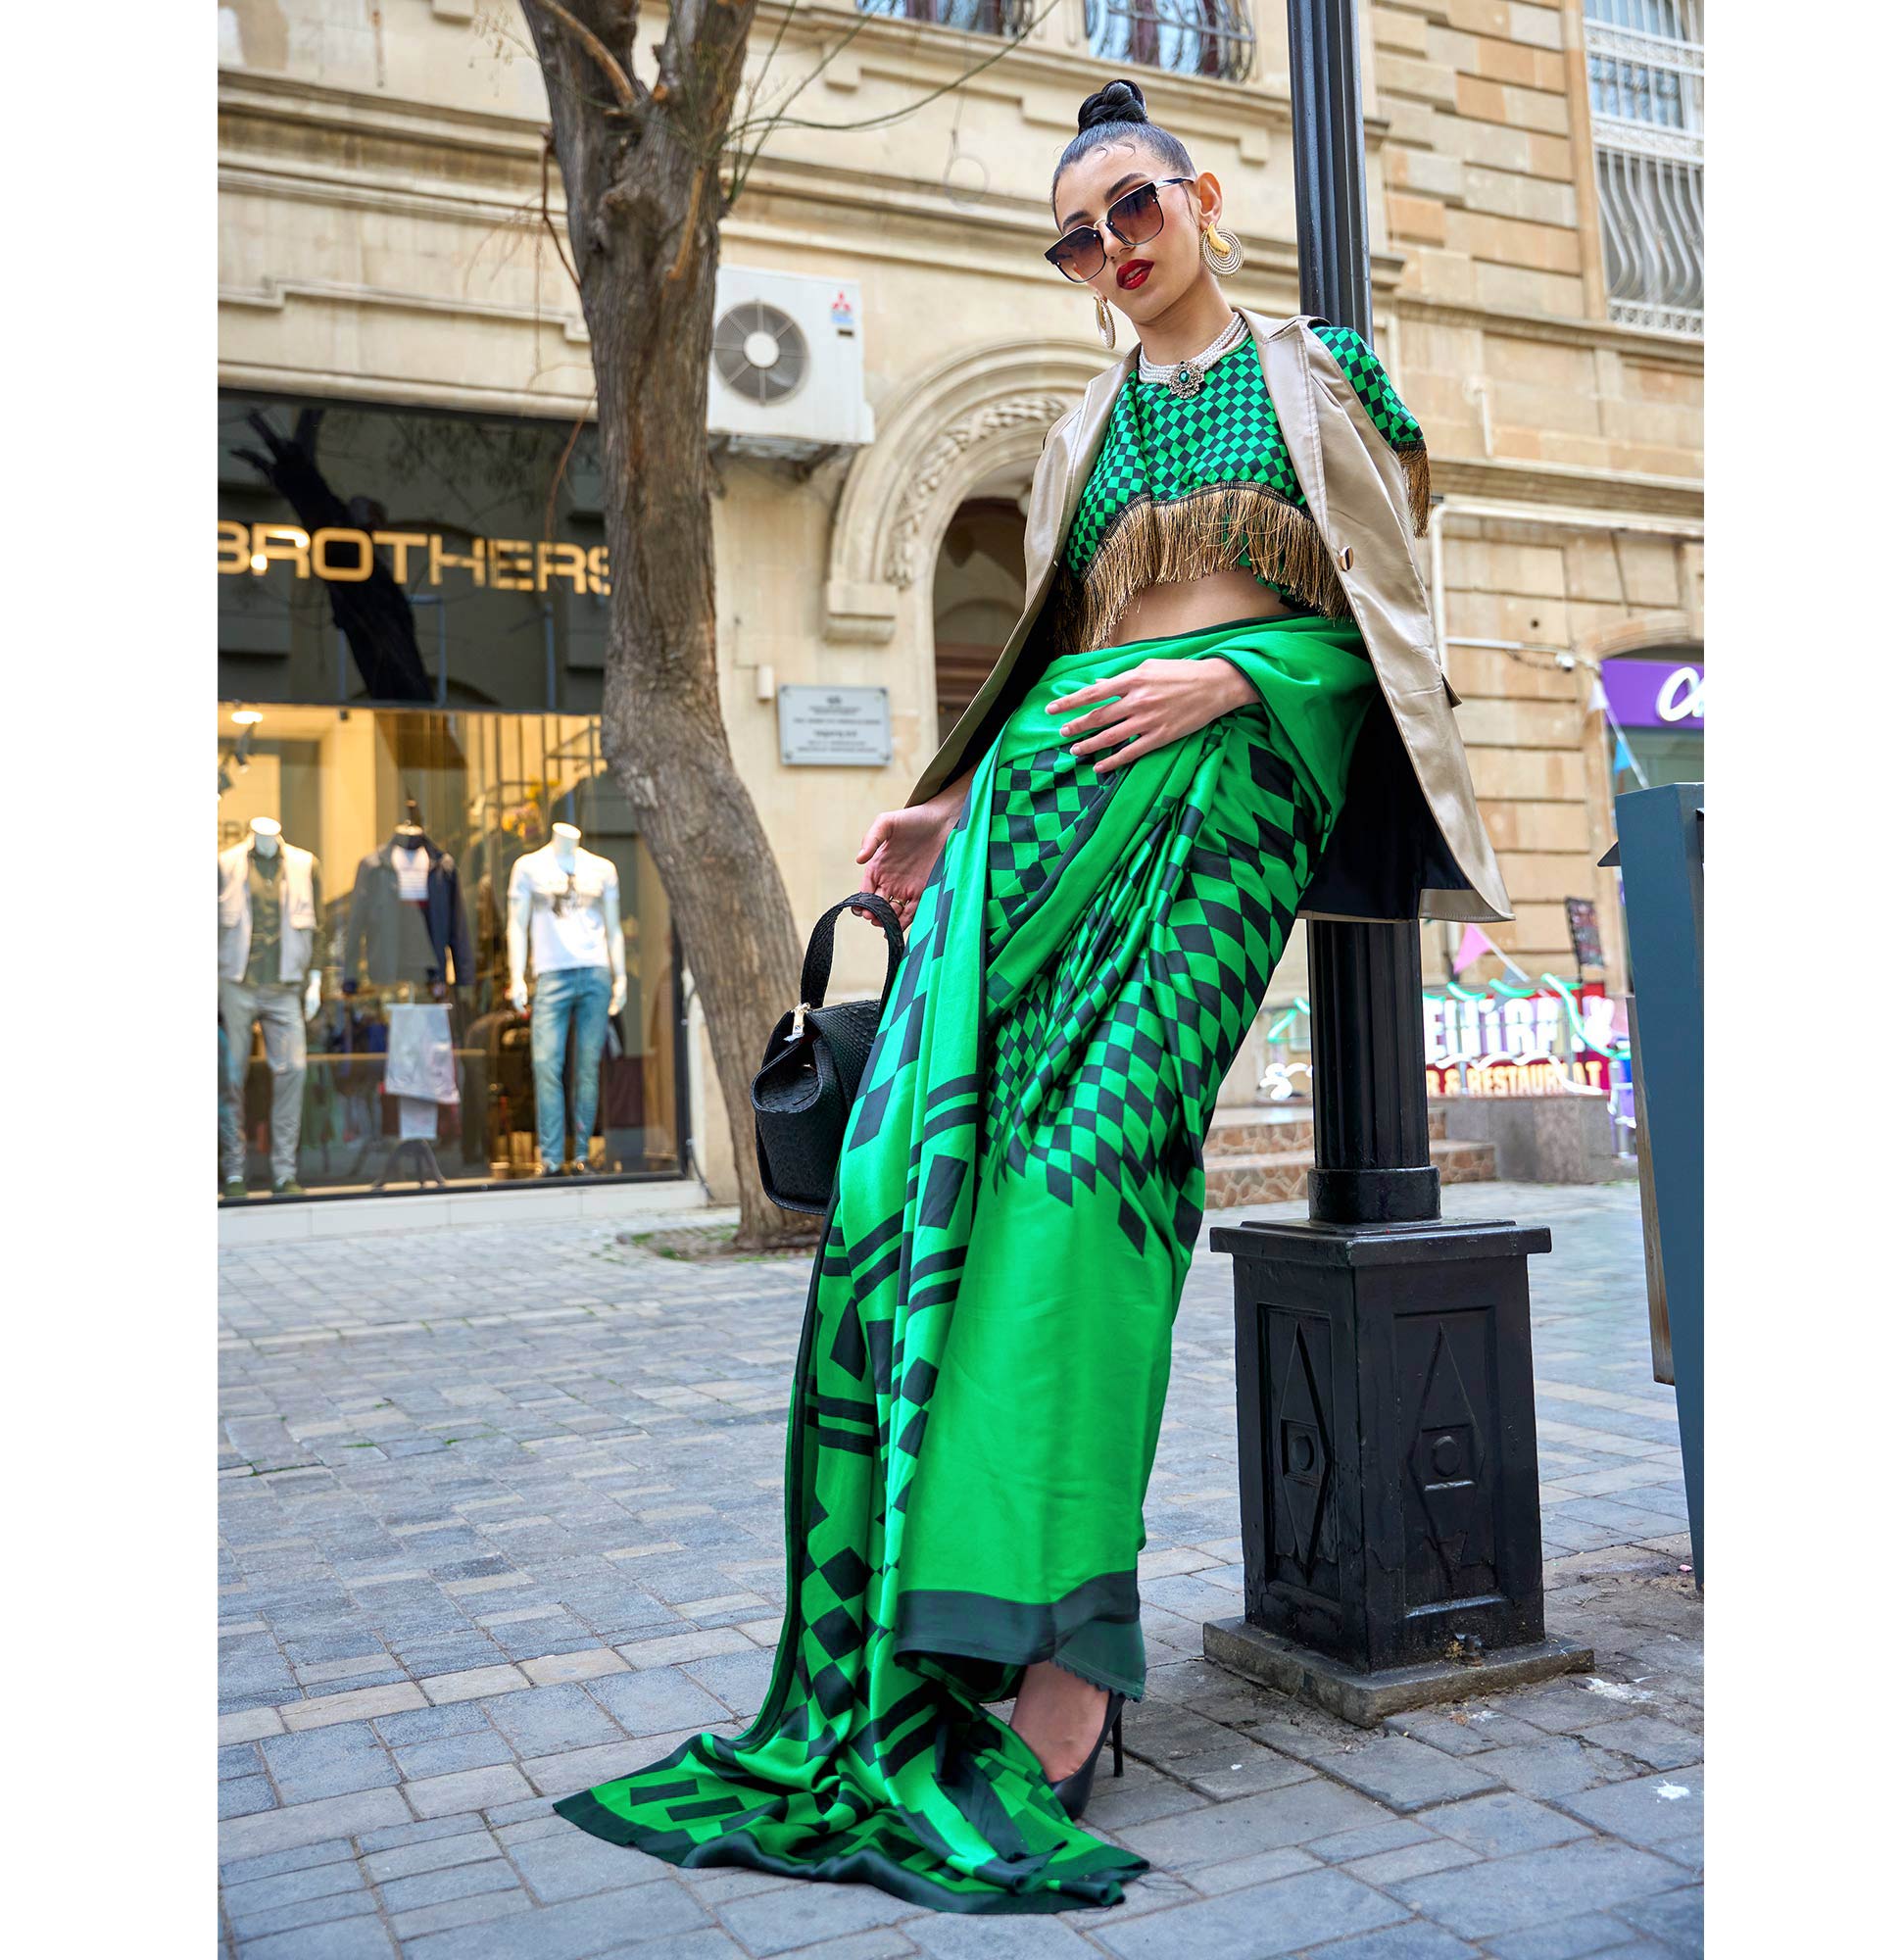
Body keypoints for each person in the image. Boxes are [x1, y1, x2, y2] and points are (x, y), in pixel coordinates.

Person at [554, 76, 1509, 1915]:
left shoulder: (1328, 380)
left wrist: (1243, 675)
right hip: (1049, 802)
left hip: (1227, 808)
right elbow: (1060, 653)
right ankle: (959, 1637)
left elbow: (1399, 622)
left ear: (1204, 195)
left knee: (1088, 1193)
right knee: (929, 1196)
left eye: (1131, 211)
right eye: (1074, 236)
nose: (1108, 252)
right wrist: (942, 801)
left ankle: (1068, 1656)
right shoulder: (1083, 428)